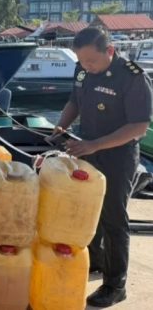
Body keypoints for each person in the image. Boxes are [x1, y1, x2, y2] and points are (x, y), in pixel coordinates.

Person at [53, 27, 152, 308]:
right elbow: (74, 101)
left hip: (117, 156)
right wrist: (61, 127)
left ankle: (115, 285)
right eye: (82, 61)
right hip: (87, 148)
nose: (87, 67)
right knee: (88, 211)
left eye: (91, 61)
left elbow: (139, 126)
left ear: (110, 51)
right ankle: (95, 261)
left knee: (113, 219)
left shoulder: (132, 77)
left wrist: (95, 145)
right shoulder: (83, 70)